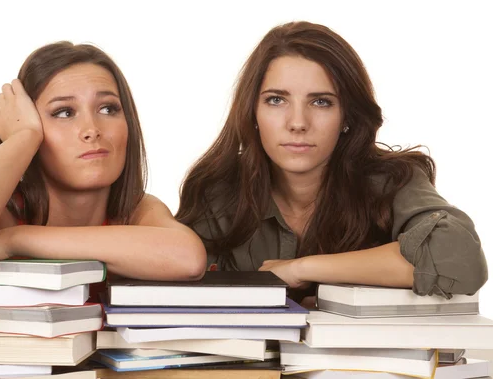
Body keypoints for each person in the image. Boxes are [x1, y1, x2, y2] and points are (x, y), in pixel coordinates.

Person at [176, 21, 487, 305]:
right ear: (252, 113)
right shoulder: (218, 191)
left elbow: (461, 257)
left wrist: (305, 269)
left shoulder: (391, 181)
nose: (297, 123)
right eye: (276, 100)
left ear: (347, 117)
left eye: (321, 102)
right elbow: (175, 297)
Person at [0, 41, 207, 300]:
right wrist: (24, 137)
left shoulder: (137, 210)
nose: (92, 130)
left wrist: (13, 241)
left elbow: (187, 259)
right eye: (64, 113)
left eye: (108, 109)